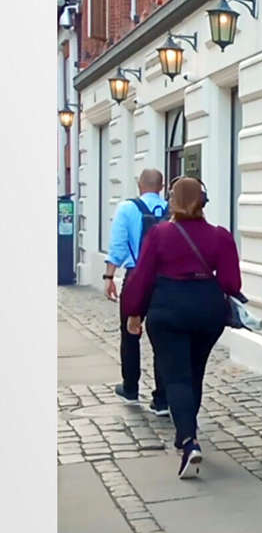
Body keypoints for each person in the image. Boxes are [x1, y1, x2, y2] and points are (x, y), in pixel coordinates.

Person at [121, 177, 241, 479]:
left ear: (173, 201)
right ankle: (185, 433)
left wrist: (134, 312)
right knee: (194, 373)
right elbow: (231, 283)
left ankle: (188, 441)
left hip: (168, 310)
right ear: (203, 201)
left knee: (176, 377)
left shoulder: (160, 234)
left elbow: (142, 276)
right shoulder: (220, 236)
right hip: (207, 312)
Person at [105, 168, 169, 415]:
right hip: (165, 281)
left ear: (139, 185)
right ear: (161, 187)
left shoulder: (127, 208)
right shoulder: (171, 209)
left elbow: (118, 246)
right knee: (163, 338)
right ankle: (162, 399)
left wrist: (109, 277)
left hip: (136, 277)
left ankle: (130, 387)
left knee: (130, 333)